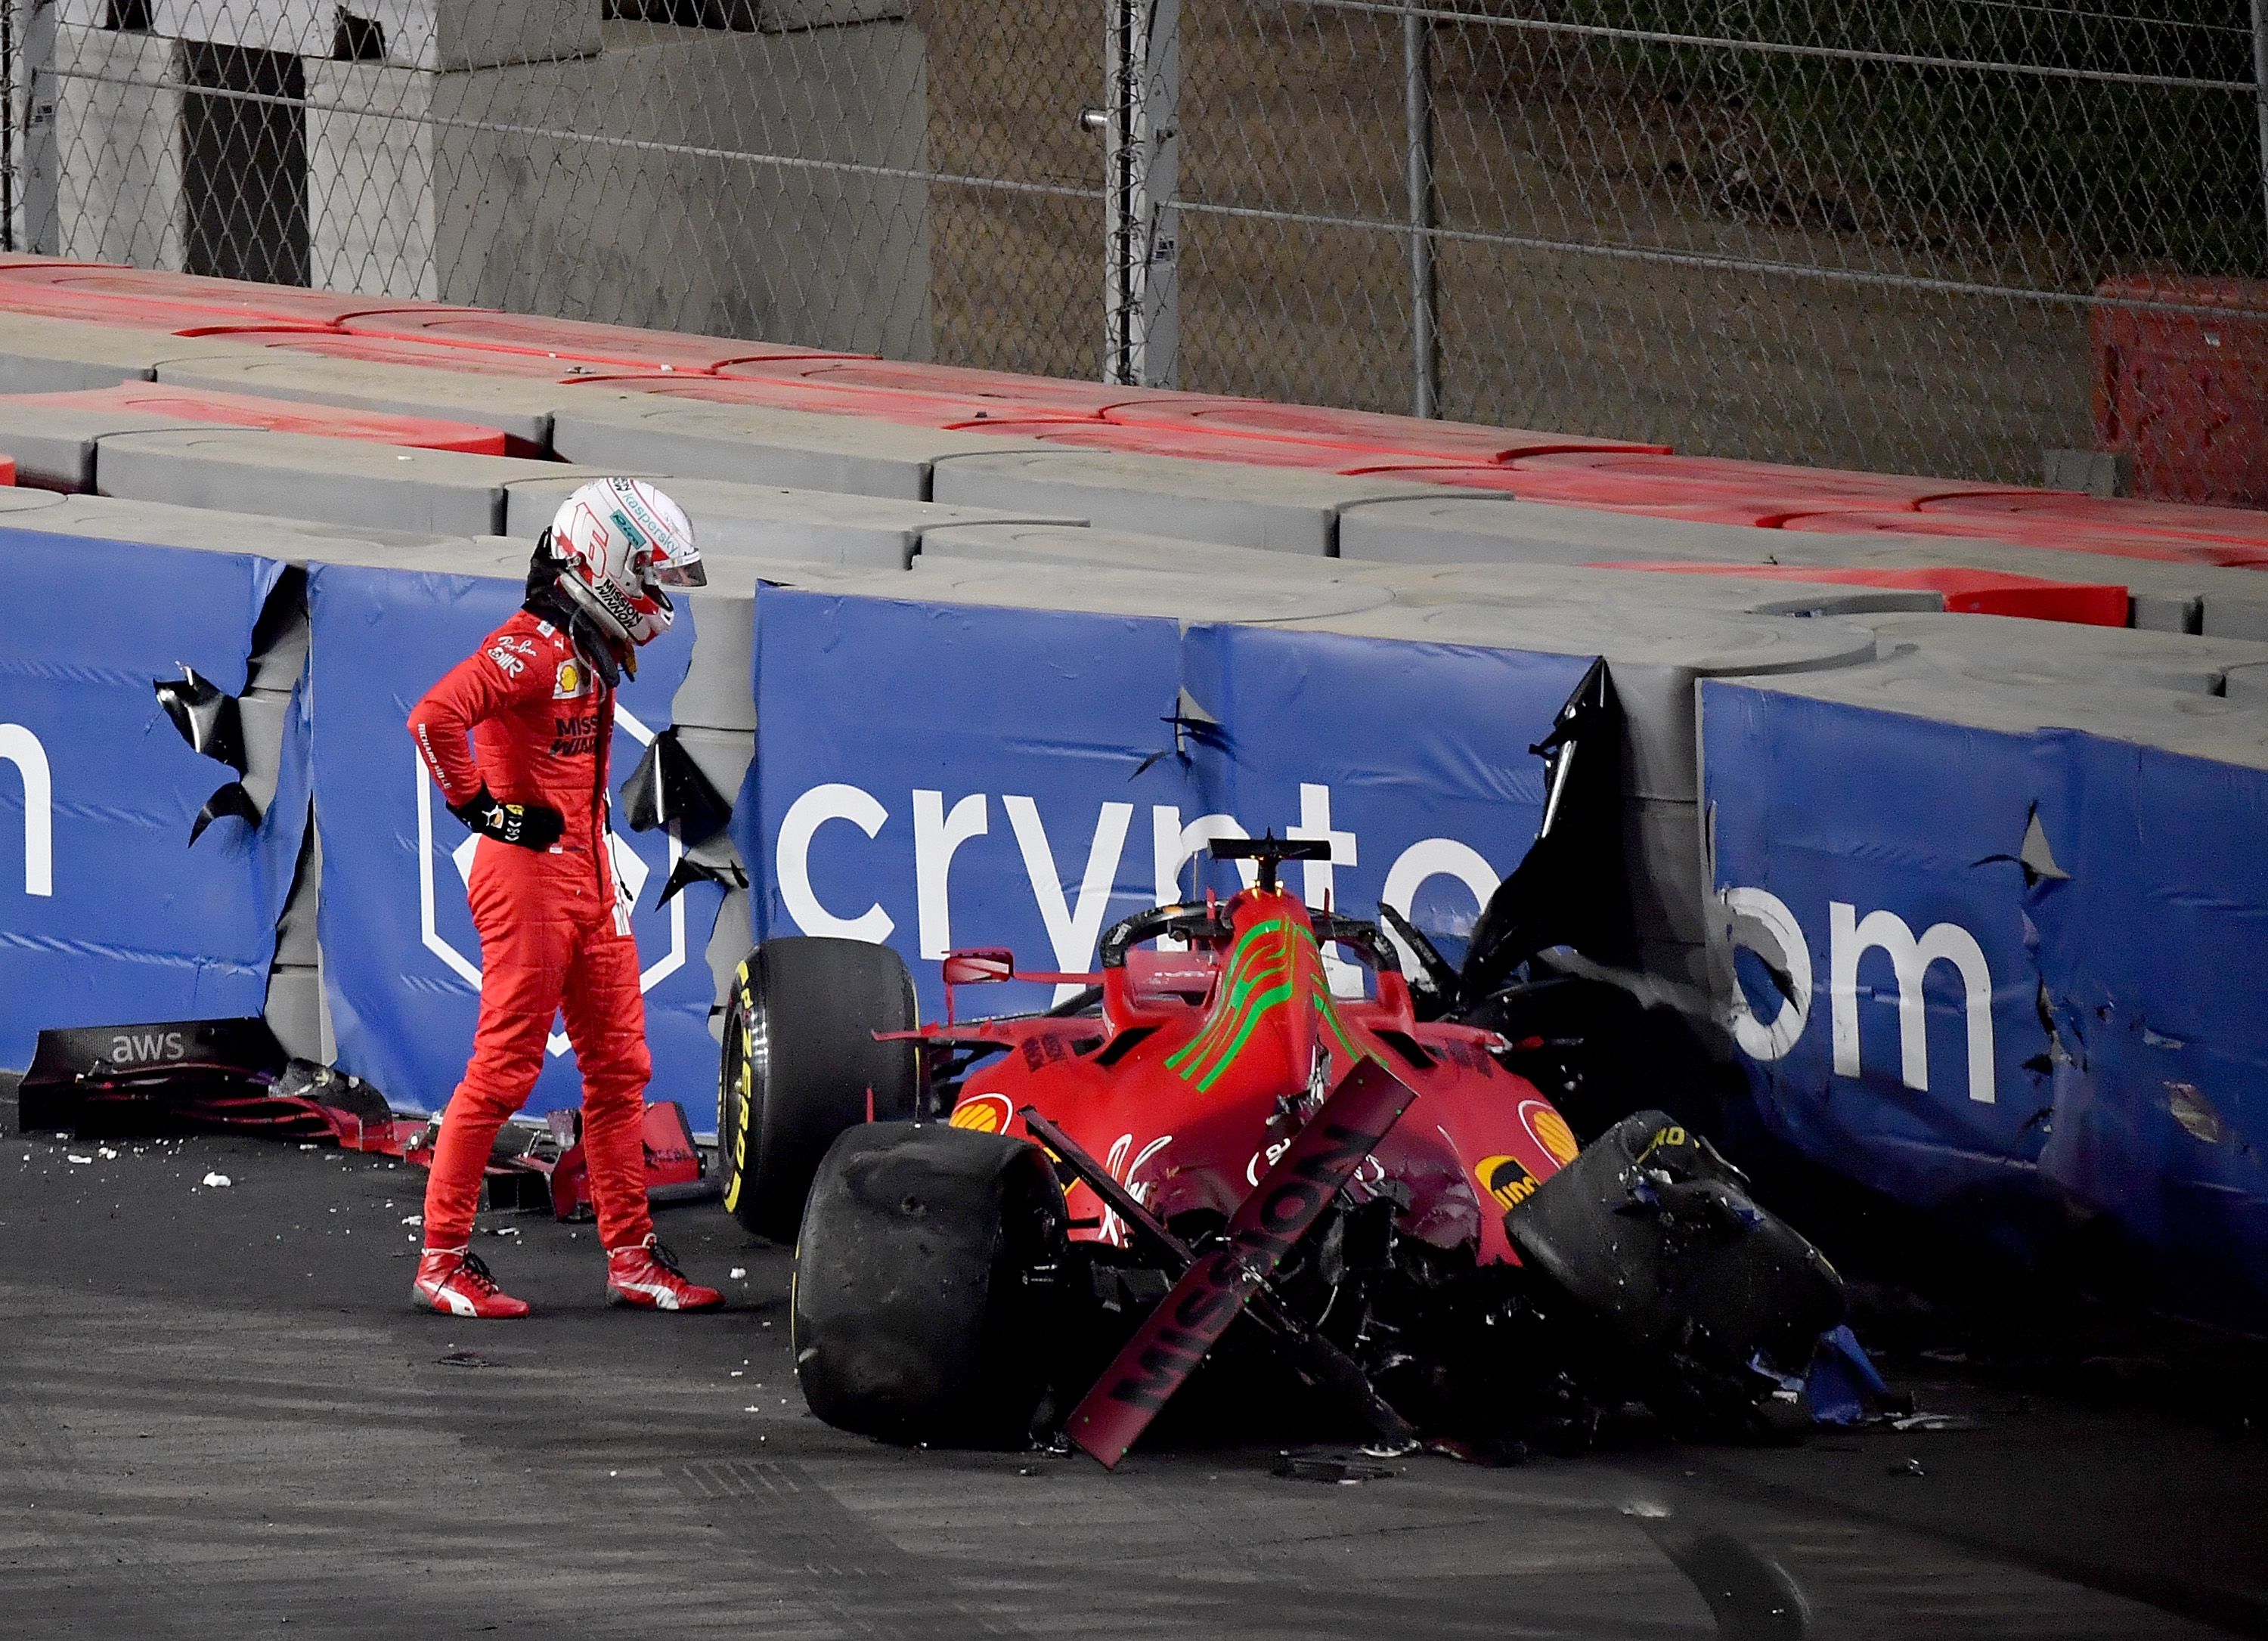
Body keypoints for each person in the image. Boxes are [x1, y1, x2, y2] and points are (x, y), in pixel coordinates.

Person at [404, 478, 721, 1319]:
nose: (659, 602)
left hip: (589, 876)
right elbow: (434, 717)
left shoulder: (583, 642)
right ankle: (440, 1259)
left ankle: (631, 1256)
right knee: (507, 1066)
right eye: (651, 580)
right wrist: (484, 810)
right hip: (529, 879)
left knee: (620, 1071)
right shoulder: (534, 645)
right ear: (607, 564)